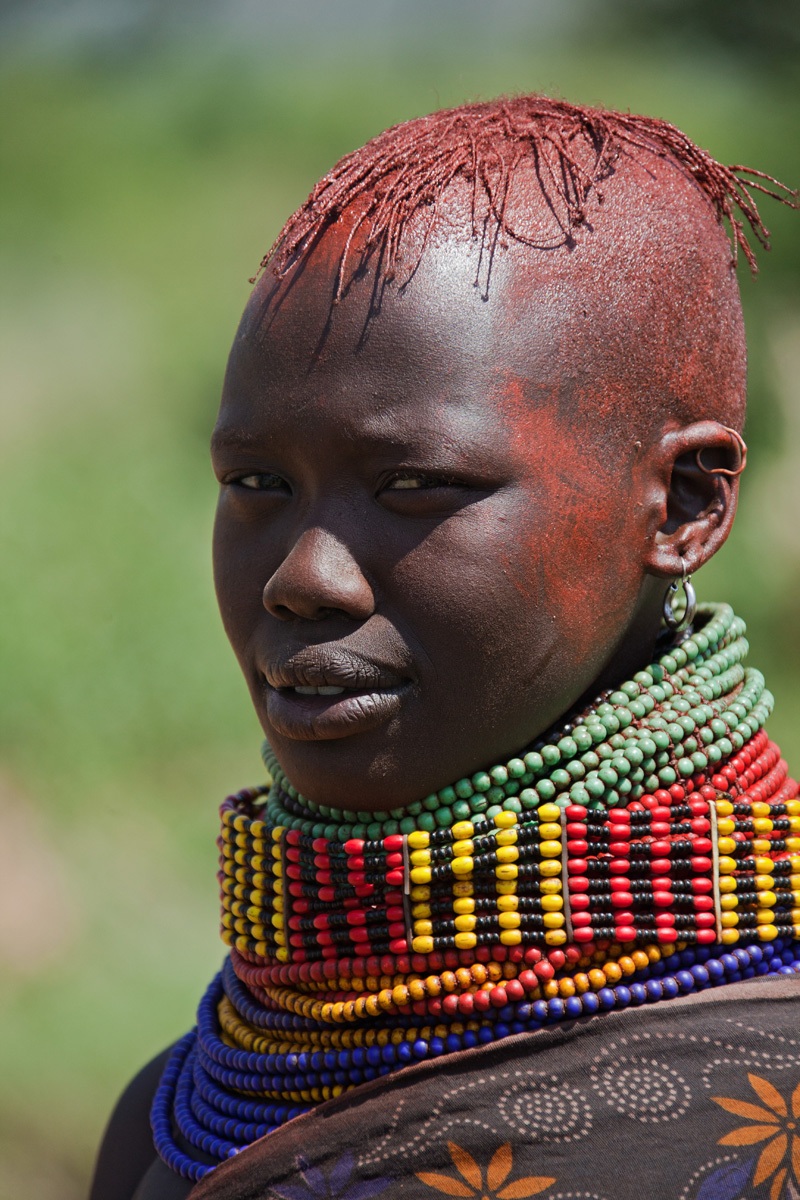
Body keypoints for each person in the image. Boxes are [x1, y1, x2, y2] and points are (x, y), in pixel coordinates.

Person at [90, 95, 800, 1200]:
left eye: (416, 485)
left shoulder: (761, 1099)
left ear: (682, 506)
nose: (300, 578)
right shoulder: (183, 1116)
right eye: (255, 486)